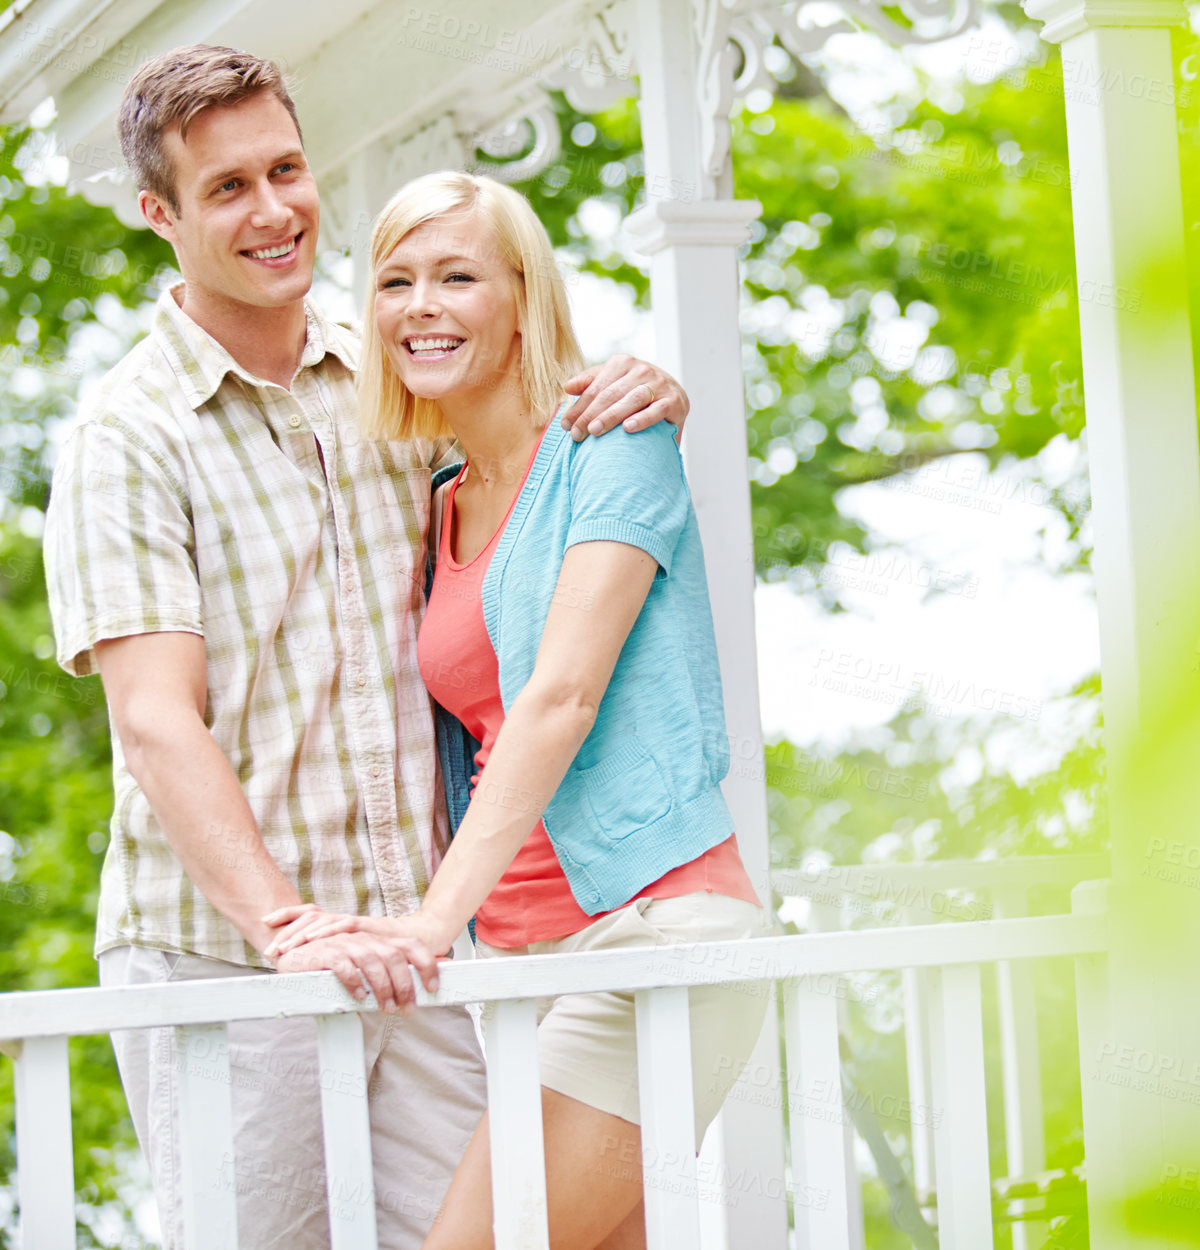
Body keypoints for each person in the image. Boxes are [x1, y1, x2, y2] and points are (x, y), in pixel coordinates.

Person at [42, 44, 691, 1250]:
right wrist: (282, 920)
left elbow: (530, 441)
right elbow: (153, 717)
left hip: (414, 945)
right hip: (225, 958)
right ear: (159, 214)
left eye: (285, 169)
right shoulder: (126, 438)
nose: (274, 209)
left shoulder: (391, 379)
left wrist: (639, 383)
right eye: (227, 187)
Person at [263, 171, 770, 1249]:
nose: (422, 304)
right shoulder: (440, 494)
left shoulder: (611, 446)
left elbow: (561, 695)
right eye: (395, 280)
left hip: (652, 940)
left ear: (523, 297)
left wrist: (429, 921)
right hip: (530, 965)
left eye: (457, 275)